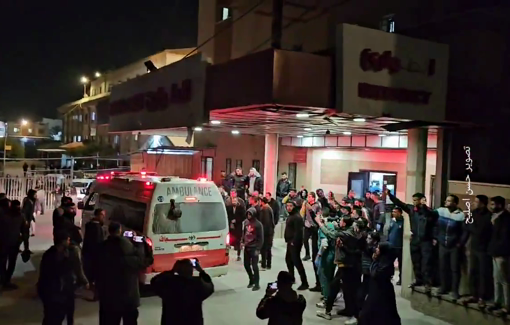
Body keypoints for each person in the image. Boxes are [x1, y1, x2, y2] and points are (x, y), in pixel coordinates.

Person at [96, 222, 154, 325]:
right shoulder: (132, 257)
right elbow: (148, 260)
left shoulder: (102, 250)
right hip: (129, 299)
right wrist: (143, 244)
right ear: (120, 231)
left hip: (108, 298)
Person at [386, 189, 436, 290]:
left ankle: (427, 283)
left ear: (422, 200)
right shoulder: (412, 210)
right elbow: (400, 203)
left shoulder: (428, 211)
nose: (414, 202)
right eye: (413, 200)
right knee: (416, 261)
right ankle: (418, 280)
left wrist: (424, 206)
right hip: (415, 239)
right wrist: (390, 195)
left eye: (416, 200)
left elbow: (431, 216)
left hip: (426, 240)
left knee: (426, 262)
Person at [316, 216, 361, 323]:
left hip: (347, 266)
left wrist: (320, 224)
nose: (338, 222)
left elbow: (330, 234)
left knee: (346, 290)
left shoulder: (346, 234)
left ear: (345, 224)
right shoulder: (350, 231)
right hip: (346, 266)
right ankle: (335, 310)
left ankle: (355, 315)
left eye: (341, 221)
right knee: (340, 289)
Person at [151, 259, 214, 325]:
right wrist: (201, 271)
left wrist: (171, 271)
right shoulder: (197, 284)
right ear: (192, 270)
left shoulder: (169, 283)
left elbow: (154, 282)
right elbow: (210, 287)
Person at [37, 230, 78, 325]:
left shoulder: (49, 253)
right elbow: (60, 272)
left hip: (50, 291)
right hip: (54, 292)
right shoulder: (58, 255)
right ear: (62, 241)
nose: (69, 242)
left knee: (50, 316)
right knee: (54, 317)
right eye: (67, 240)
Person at [460, 194, 493, 307]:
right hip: (473, 247)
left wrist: (471, 227)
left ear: (483, 204)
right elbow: (466, 225)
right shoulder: (473, 213)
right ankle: (473, 295)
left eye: (476, 202)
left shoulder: (488, 216)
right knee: (472, 272)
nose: (474, 203)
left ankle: (482, 297)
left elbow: (480, 231)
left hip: (484, 249)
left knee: (483, 274)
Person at [358, 242, 401, 325]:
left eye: (378, 248)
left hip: (382, 291)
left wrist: (374, 261)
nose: (376, 249)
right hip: (376, 289)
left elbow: (374, 274)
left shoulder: (386, 263)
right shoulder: (382, 260)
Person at [434, 194, 465, 300]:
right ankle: (443, 287)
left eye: (448, 201)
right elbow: (434, 225)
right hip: (442, 244)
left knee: (454, 268)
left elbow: (464, 231)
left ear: (455, 203)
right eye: (446, 200)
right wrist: (436, 237)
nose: (445, 202)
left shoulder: (460, 215)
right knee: (443, 267)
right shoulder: (441, 211)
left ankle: (455, 290)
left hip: (454, 246)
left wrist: (460, 243)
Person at [487, 196, 510, 316]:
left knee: (504, 280)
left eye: (493, 204)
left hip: (502, 253)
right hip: (494, 252)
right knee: (496, 278)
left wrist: (498, 250)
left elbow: (504, 238)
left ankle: (507, 306)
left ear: (500, 205)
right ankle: (497, 301)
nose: (491, 207)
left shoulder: (505, 218)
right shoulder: (494, 217)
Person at [284, 201, 309, 290]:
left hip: (294, 243)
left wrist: (294, 242)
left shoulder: (297, 217)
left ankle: (305, 283)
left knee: (297, 262)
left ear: (294, 207)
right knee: (288, 260)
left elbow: (299, 231)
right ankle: (291, 278)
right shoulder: (291, 216)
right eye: (287, 206)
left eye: (291, 206)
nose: (289, 207)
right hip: (290, 242)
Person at [82, 208, 106, 300]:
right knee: (95, 275)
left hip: (89, 254)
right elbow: (97, 243)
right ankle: (96, 294)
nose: (103, 217)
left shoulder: (90, 225)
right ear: (97, 215)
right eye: (102, 215)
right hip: (94, 256)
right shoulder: (96, 228)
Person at [0, 199, 24, 290]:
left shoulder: (3, 216)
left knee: (3, 262)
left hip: (5, 243)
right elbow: (24, 232)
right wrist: (25, 245)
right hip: (12, 243)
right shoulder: (21, 216)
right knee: (10, 262)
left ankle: (4, 279)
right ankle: (6, 280)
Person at [301, 192, 322, 292]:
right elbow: (303, 213)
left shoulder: (317, 205)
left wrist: (309, 207)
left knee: (315, 251)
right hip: (307, 225)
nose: (308, 198)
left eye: (310, 196)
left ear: (313, 198)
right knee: (304, 240)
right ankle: (307, 254)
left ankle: (319, 283)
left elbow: (314, 215)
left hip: (314, 227)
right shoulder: (306, 204)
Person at [242, 207, 264, 291]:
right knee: (246, 265)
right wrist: (242, 241)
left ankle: (257, 284)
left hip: (254, 247)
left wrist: (258, 248)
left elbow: (261, 238)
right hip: (247, 246)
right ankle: (251, 280)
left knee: (255, 266)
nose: (248, 216)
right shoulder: (246, 223)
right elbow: (244, 233)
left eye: (250, 214)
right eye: (247, 214)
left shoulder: (258, 224)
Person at [359, 231, 380, 308]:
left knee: (365, 292)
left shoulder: (372, 249)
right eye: (367, 238)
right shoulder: (368, 247)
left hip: (370, 272)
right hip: (367, 271)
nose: (367, 240)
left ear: (375, 241)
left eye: (370, 238)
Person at [387, 207, 404, 285]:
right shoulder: (391, 221)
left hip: (400, 246)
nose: (393, 213)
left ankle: (401, 278)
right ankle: (389, 276)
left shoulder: (403, 222)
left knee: (401, 264)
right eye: (393, 212)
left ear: (400, 213)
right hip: (391, 245)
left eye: (395, 212)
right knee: (389, 262)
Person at [227, 196, 246, 261]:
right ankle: (227, 254)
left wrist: (236, 220)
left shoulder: (241, 208)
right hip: (231, 227)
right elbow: (227, 216)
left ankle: (238, 255)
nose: (234, 202)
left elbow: (243, 217)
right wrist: (230, 221)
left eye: (235, 201)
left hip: (238, 227)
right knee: (229, 241)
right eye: (233, 201)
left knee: (238, 241)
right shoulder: (229, 208)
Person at [260, 197, 275, 270]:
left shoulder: (265, 209)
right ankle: (269, 264)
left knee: (264, 249)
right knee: (268, 249)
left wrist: (263, 232)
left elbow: (265, 222)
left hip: (266, 233)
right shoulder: (269, 208)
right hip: (270, 232)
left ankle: (264, 265)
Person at [21, 188, 37, 253]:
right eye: (35, 194)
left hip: (28, 220)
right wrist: (25, 220)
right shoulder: (28, 201)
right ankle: (26, 249)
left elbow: (30, 211)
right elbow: (24, 211)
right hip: (25, 220)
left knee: (25, 235)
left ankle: (25, 248)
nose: (36, 195)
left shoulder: (31, 201)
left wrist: (32, 218)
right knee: (25, 235)